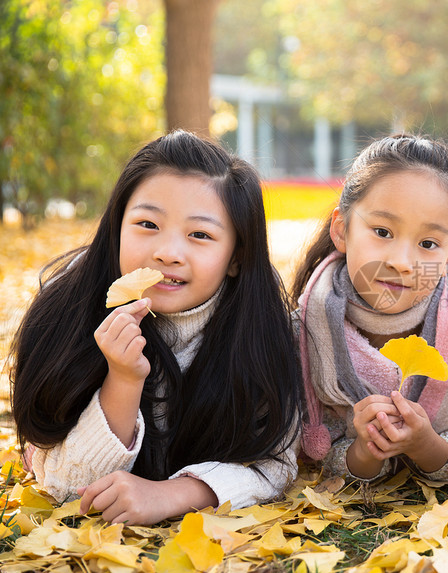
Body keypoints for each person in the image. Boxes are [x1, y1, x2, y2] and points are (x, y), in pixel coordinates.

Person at [11, 131, 303, 525]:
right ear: (116, 227)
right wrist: (124, 379)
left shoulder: (260, 328)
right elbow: (64, 486)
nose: (167, 252)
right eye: (147, 224)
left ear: (236, 257)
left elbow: (275, 461)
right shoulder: (68, 310)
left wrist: (172, 494)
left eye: (200, 235)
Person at [292, 134, 448, 482]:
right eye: (382, 231)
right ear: (342, 230)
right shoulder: (303, 332)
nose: (403, 262)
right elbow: (314, 447)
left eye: (428, 243)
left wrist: (426, 444)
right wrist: (363, 451)